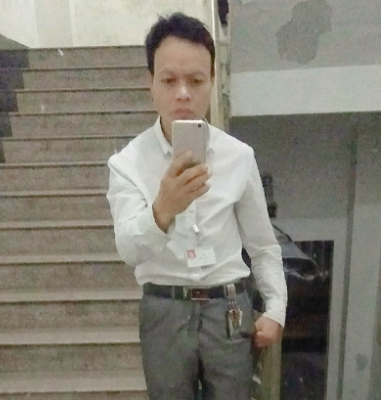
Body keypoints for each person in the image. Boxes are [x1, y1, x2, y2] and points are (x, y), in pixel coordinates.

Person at [106, 12, 287, 400]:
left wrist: (275, 308)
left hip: (229, 307)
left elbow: (263, 247)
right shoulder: (127, 164)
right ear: (150, 83)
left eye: (196, 80)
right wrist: (163, 209)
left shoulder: (239, 157)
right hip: (164, 308)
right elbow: (129, 250)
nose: (183, 94)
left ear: (212, 81)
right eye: (169, 80)